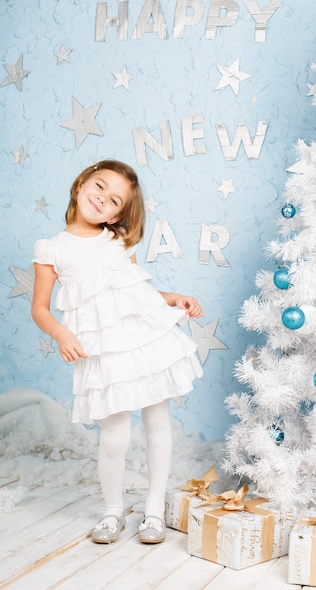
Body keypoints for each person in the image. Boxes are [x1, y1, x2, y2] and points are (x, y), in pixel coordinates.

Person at [31, 159, 203, 545]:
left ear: (118, 214)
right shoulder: (52, 249)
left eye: (113, 200)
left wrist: (172, 298)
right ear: (81, 184)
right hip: (104, 352)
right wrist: (60, 333)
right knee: (114, 434)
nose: (101, 198)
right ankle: (112, 512)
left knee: (158, 421)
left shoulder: (118, 242)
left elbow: (137, 293)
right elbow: (39, 307)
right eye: (99, 186)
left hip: (144, 344)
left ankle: (154, 512)